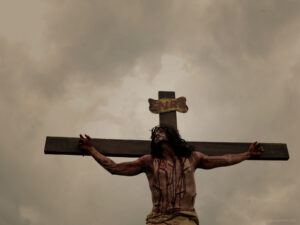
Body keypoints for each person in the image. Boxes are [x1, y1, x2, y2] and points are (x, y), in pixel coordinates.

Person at [78, 125, 264, 225]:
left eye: (161, 132)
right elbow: (115, 168)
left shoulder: (193, 158)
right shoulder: (149, 161)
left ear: (172, 136)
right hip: (158, 220)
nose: (157, 135)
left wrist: (247, 154)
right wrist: (92, 149)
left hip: (185, 218)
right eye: (155, 134)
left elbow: (225, 159)